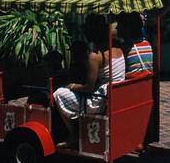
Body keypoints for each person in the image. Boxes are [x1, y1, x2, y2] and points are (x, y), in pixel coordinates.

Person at [52, 15, 125, 148]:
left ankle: (74, 135)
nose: (85, 32)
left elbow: (88, 88)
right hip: (115, 95)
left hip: (99, 101)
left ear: (94, 31)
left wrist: (72, 86)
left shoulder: (95, 56)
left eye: (87, 29)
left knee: (58, 93)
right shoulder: (118, 48)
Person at [118, 12, 153, 77]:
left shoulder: (126, 47)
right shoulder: (147, 44)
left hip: (132, 82)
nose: (117, 27)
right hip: (146, 79)